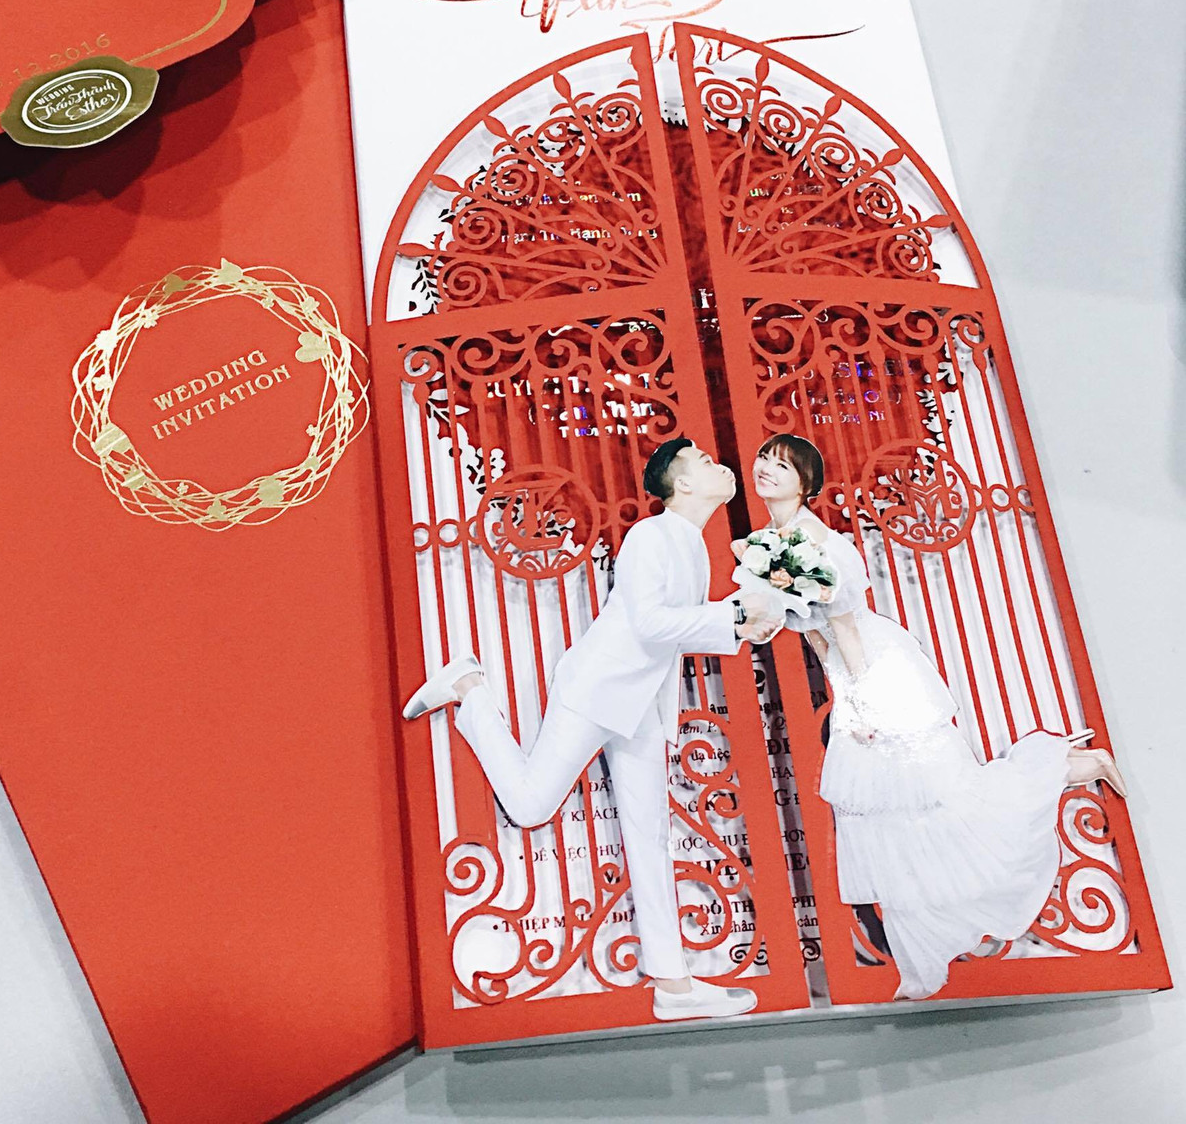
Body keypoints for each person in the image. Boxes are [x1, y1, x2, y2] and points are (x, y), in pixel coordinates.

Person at [402, 437, 784, 1021]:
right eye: (705, 461)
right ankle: (469, 689)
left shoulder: (690, 544)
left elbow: (676, 631)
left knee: (650, 839)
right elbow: (651, 623)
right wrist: (733, 613)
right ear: (681, 483)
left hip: (640, 705)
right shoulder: (649, 536)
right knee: (531, 806)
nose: (719, 464)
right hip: (598, 691)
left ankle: (673, 986)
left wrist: (740, 627)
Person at [749, 432, 1125, 999]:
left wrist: (863, 701)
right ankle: (922, 962)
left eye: (781, 465)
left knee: (942, 800)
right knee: (888, 820)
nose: (765, 470)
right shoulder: (768, 545)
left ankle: (1066, 765)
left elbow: (845, 628)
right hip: (849, 675)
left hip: (876, 670)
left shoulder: (819, 544)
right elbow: (816, 638)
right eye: (763, 460)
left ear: (805, 483)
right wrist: (843, 693)